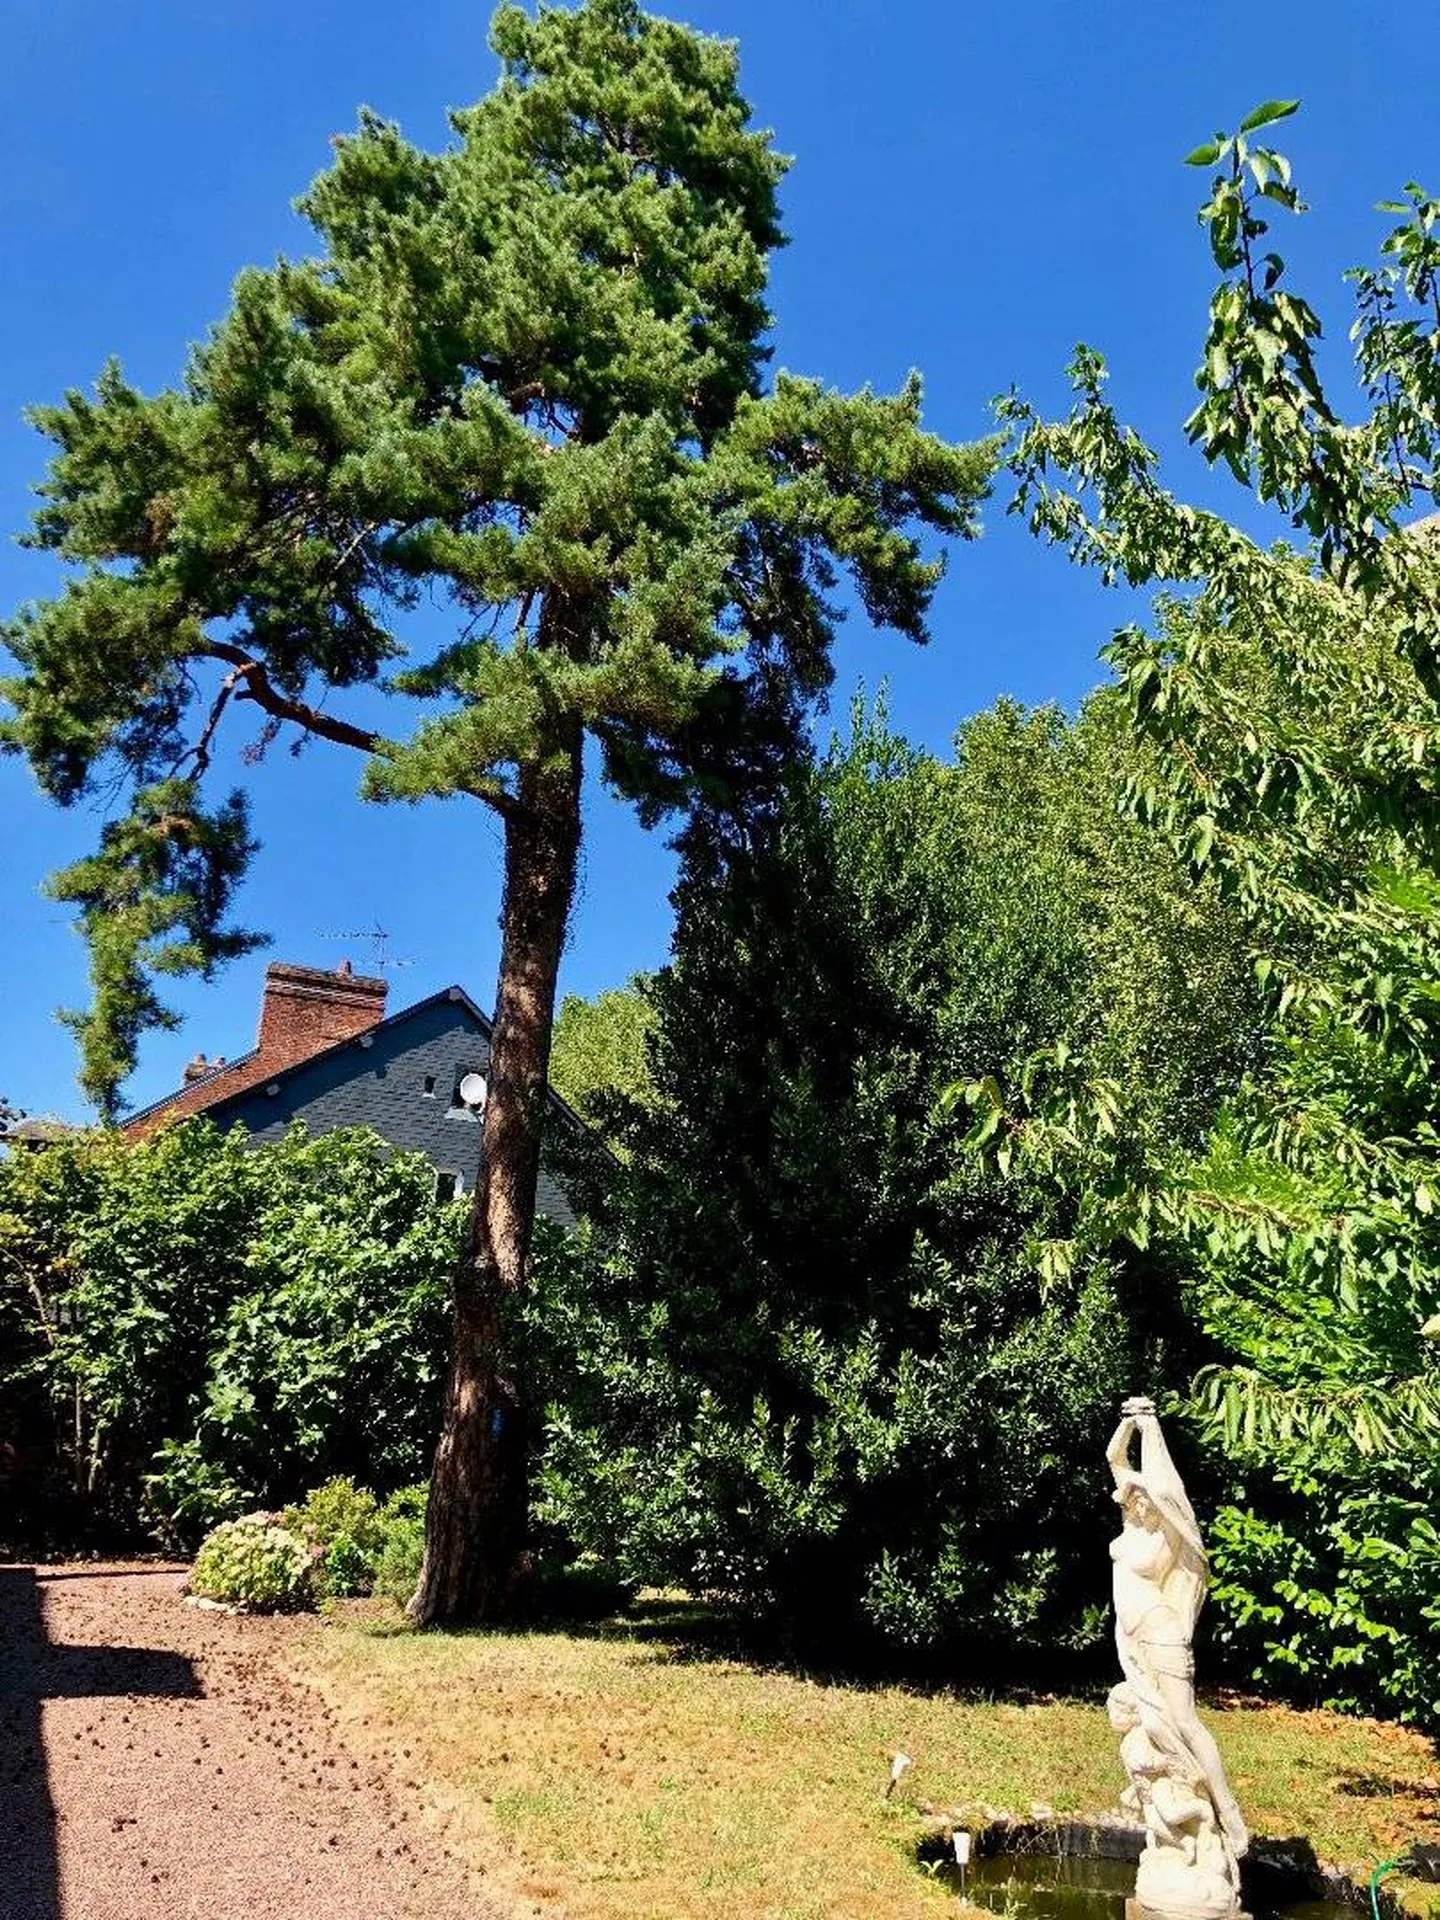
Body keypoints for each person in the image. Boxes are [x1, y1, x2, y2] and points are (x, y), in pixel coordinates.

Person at [1107, 1397, 1247, 1866]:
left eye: (1146, 1499)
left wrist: (1153, 1431)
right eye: (1136, 1499)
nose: (1140, 1503)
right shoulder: (1128, 1527)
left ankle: (1228, 1811)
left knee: (1184, 1722)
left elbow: (1170, 1491)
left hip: (1162, 1633)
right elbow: (1113, 1460)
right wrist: (1130, 1425)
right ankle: (1175, 1812)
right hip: (1132, 1639)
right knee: (1153, 1724)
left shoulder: (1168, 1536)